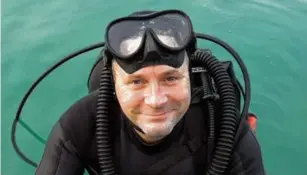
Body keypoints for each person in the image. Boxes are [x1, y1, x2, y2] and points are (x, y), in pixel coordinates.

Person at [35, 9, 265, 175]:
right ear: (114, 85)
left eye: (171, 78)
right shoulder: (80, 126)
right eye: (136, 82)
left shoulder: (223, 121)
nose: (156, 100)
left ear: (190, 76)